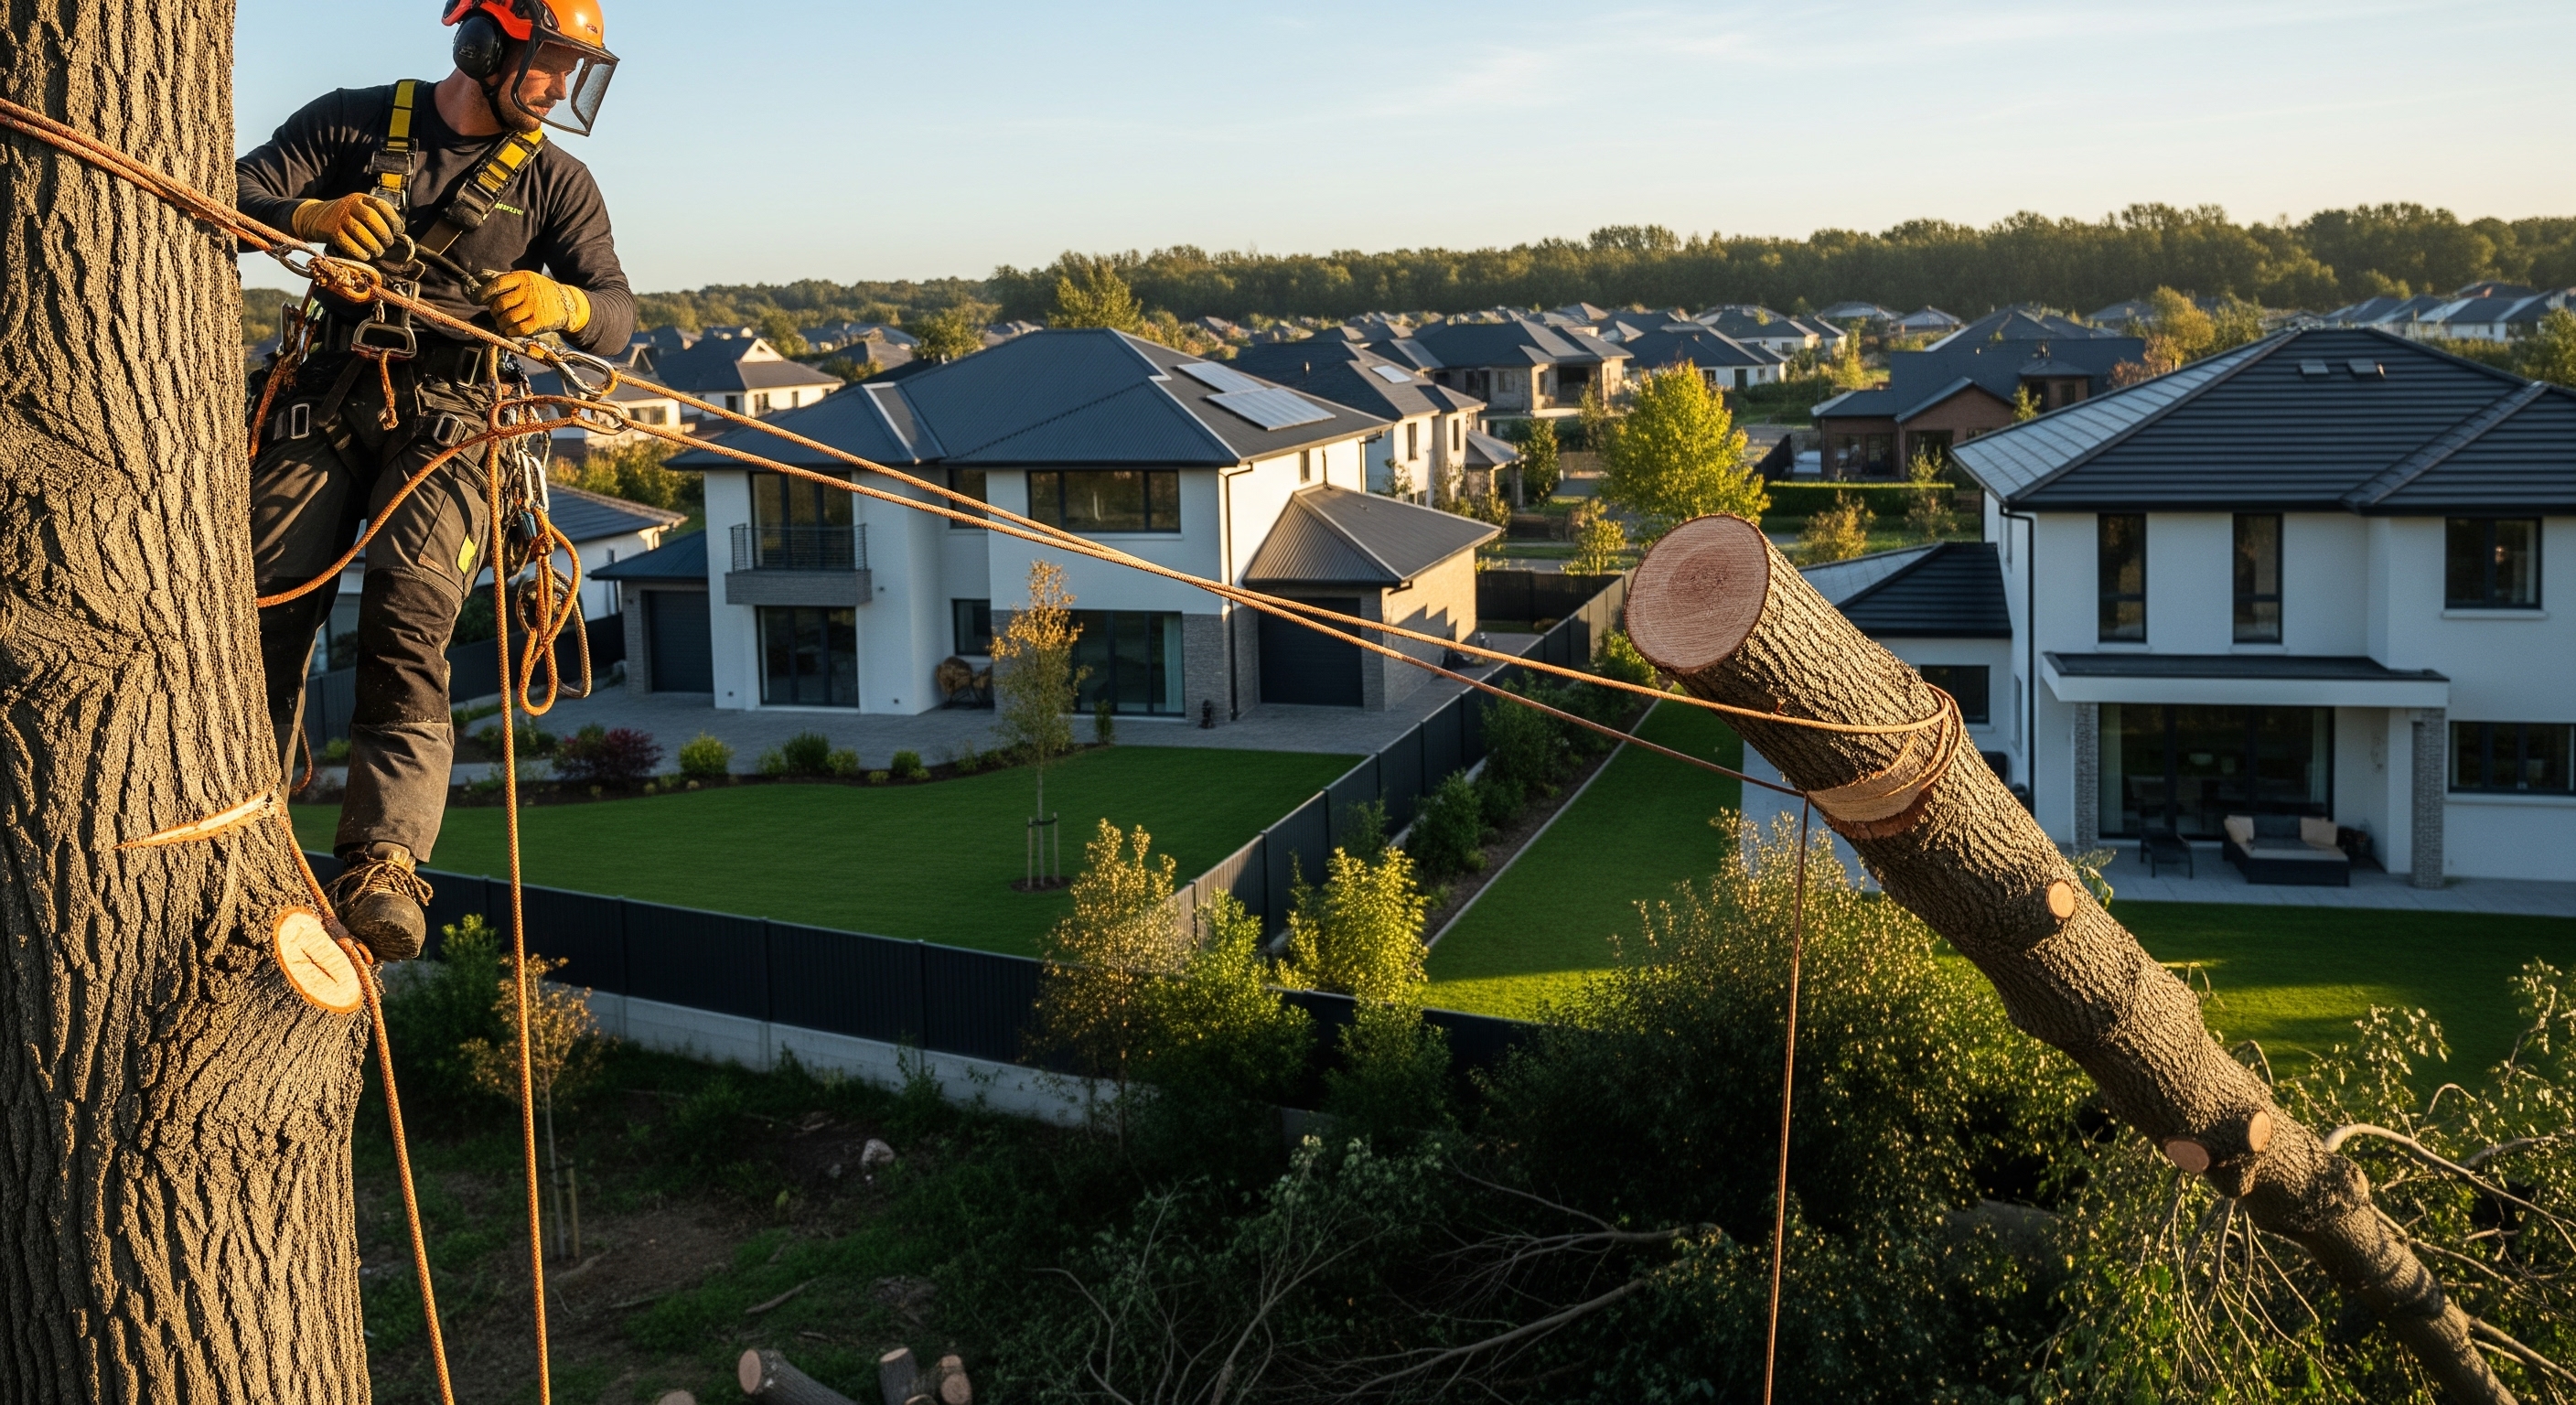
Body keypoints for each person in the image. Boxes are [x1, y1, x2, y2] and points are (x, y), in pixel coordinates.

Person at [237, 0, 634, 961]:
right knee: (265, 604)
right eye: (546, 63)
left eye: (573, 70)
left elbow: (616, 316)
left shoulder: (555, 182)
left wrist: (563, 300)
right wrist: (312, 217)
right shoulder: (352, 122)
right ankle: (239, 807)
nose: (558, 86)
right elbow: (229, 199)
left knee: (409, 623)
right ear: (482, 44)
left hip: (454, 424)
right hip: (328, 397)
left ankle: (382, 862)